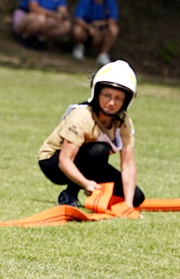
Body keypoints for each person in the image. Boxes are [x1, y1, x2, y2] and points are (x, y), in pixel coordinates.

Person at [37, 61, 143, 209]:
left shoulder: (123, 122)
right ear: (97, 93)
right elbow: (65, 160)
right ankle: (69, 194)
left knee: (137, 197)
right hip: (54, 162)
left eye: (118, 98)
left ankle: (103, 198)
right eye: (107, 95)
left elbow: (128, 165)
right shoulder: (82, 116)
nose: (111, 103)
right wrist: (86, 183)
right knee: (99, 150)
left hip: (90, 161)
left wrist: (128, 204)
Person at [71, 0, 119, 64]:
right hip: (86, 28)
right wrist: (88, 27)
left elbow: (113, 19)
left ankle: (103, 54)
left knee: (114, 29)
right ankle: (79, 47)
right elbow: (77, 17)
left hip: (102, 30)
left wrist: (100, 24)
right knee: (77, 29)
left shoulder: (111, 0)